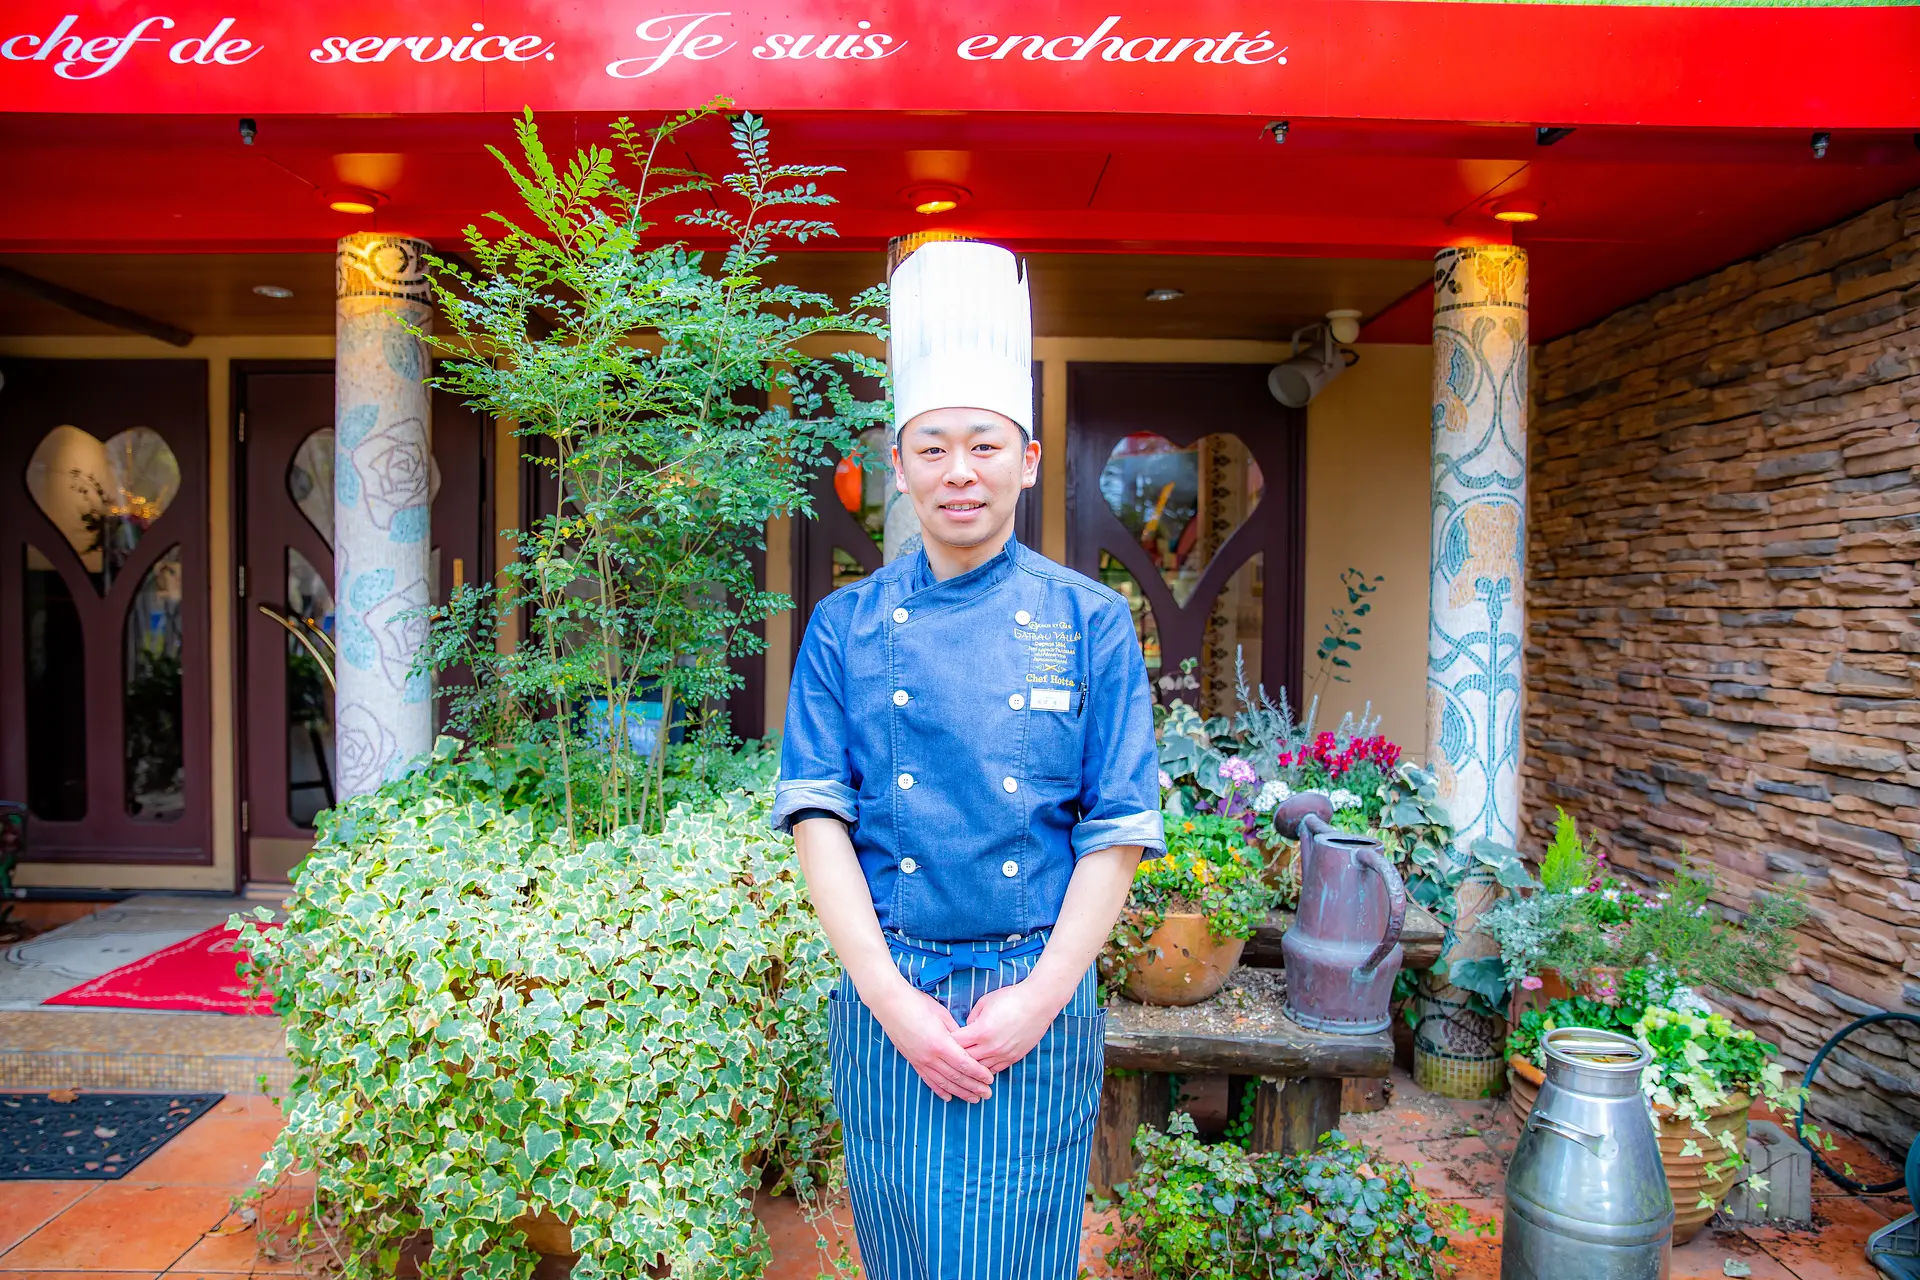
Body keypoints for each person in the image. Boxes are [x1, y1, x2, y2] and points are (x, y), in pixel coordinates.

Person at [773, 239, 1165, 1280]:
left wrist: (1035, 999)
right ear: (898, 465)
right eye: (933, 447)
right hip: (888, 989)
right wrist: (893, 1001)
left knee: (1018, 1252)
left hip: (1036, 990)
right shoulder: (844, 627)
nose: (960, 471)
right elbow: (818, 819)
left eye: (985, 445)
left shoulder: (1090, 622)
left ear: (1027, 459)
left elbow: (1117, 829)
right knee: (903, 1246)